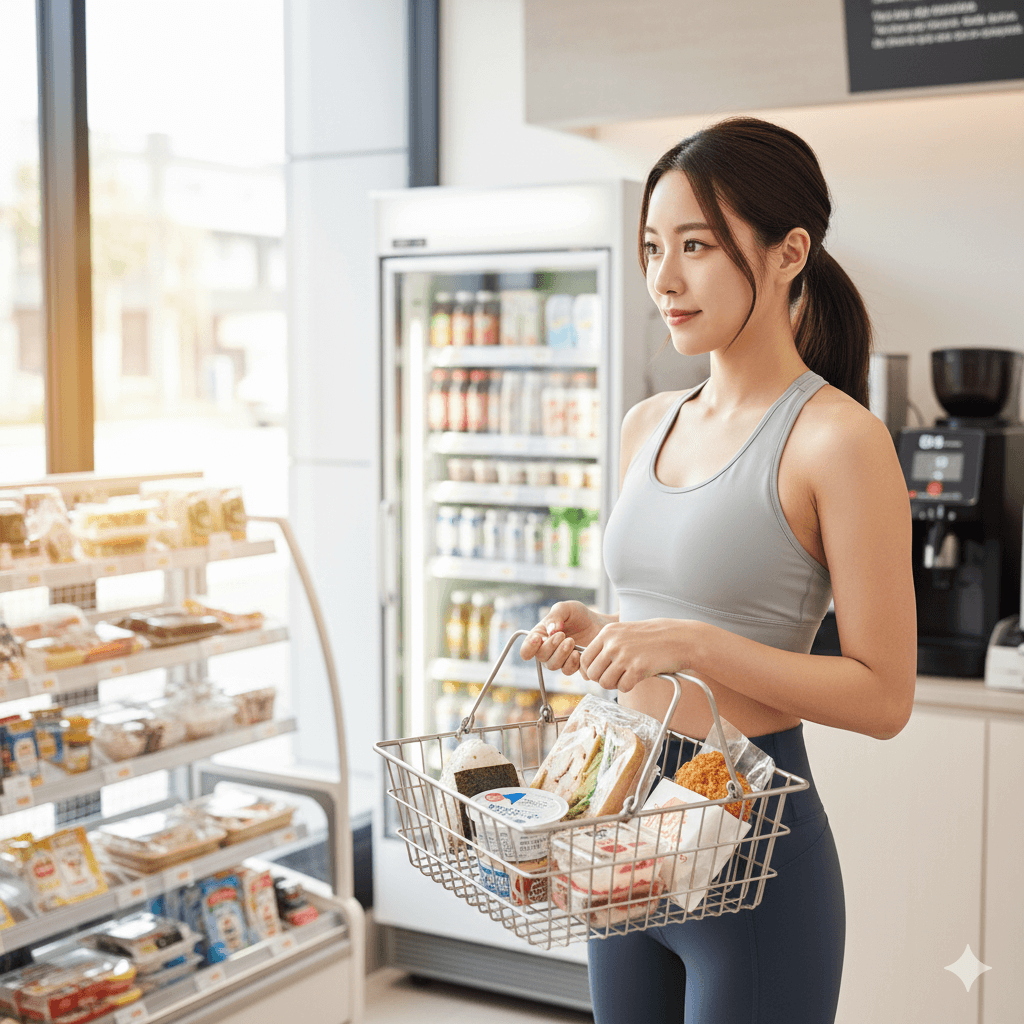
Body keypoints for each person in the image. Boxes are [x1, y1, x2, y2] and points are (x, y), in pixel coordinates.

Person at [520, 117, 917, 1024]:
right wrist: (604, 635)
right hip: (621, 819)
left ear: (788, 253)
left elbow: (884, 696)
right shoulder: (646, 422)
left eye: (695, 245)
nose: (665, 277)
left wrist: (694, 645)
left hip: (753, 842)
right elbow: (653, 615)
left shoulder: (839, 441)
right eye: (653, 247)